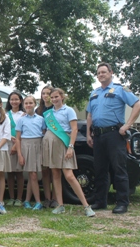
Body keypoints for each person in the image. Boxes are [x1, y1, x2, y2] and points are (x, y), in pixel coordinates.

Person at [86, 62, 140, 214]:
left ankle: (122, 202)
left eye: (104, 72)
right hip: (98, 135)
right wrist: (88, 134)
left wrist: (127, 125)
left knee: (119, 169)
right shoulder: (94, 93)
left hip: (114, 134)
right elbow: (89, 115)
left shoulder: (120, 89)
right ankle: (100, 201)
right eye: (98, 73)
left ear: (111, 73)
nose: (101, 75)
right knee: (100, 170)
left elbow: (138, 105)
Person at [42, 88, 95, 217]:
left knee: (69, 175)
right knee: (55, 174)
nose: (54, 99)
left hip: (64, 144)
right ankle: (60, 205)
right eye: (52, 97)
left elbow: (74, 129)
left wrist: (71, 147)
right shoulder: (48, 113)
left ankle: (86, 206)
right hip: (51, 145)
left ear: (62, 97)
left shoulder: (69, 110)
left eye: (56, 97)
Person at [16, 96, 47, 210]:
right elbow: (18, 138)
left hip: (38, 145)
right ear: (24, 105)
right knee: (33, 174)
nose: (28, 105)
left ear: (35, 104)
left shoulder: (40, 119)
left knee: (32, 175)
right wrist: (20, 154)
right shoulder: (21, 119)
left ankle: (27, 200)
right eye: (26, 103)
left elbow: (43, 133)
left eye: (30, 103)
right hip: (26, 146)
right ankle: (38, 202)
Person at [32, 84, 57, 209]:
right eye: (43, 94)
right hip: (42, 143)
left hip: (54, 142)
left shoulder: (56, 109)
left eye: (48, 93)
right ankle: (47, 198)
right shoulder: (38, 110)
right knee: (45, 171)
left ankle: (55, 198)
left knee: (55, 171)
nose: (46, 96)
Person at [5, 91, 25, 207]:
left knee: (19, 172)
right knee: (10, 172)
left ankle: (19, 198)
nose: (14, 102)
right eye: (12, 99)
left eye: (16, 99)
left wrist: (15, 145)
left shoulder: (23, 114)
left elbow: (24, 131)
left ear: (20, 100)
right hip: (7, 145)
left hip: (19, 145)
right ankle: (11, 197)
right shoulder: (6, 114)